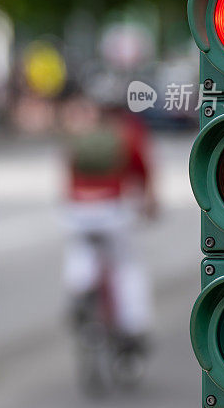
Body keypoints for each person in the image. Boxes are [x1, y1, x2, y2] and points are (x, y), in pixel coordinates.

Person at [60, 93, 158, 354]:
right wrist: (149, 205)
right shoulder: (129, 133)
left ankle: (80, 289)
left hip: (78, 208)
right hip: (112, 208)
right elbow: (144, 173)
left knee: (80, 249)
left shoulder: (81, 130)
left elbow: (68, 169)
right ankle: (133, 326)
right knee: (127, 265)